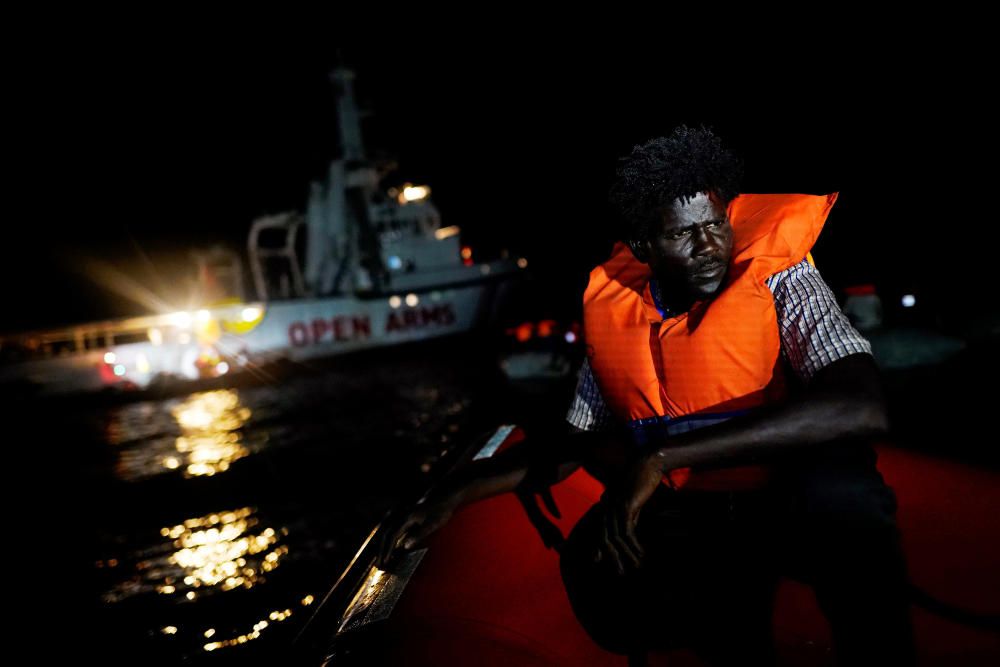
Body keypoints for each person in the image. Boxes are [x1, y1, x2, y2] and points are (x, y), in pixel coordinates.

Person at [377, 125, 915, 666]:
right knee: (605, 566)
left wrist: (660, 458)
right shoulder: (617, 308)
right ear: (644, 248)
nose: (709, 248)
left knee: (846, 496)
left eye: (715, 226)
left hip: (786, 494)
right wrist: (457, 491)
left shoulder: (781, 275)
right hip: (702, 511)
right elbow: (572, 441)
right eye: (683, 235)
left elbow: (860, 405)